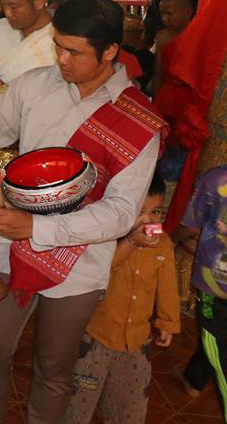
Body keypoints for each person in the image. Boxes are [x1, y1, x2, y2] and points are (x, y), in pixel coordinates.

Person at [0, 0, 166, 423]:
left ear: (111, 52)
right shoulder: (36, 85)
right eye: (58, 45)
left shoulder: (137, 120)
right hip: (12, 246)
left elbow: (120, 213)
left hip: (79, 261)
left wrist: (36, 229)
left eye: (74, 51)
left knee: (53, 369)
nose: (61, 58)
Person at [62, 173, 180, 423]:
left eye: (156, 212)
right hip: (96, 338)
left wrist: (167, 323)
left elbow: (168, 287)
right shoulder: (107, 239)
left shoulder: (164, 244)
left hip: (136, 342)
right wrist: (130, 243)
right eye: (141, 211)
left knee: (130, 407)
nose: (148, 219)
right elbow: (105, 268)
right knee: (78, 403)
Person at [171, 165, 227, 415]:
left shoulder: (217, 178)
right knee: (214, 338)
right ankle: (194, 378)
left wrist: (171, 240)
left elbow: (190, 226)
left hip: (214, 286)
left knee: (218, 348)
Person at [151, 0, 195, 93]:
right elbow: (158, 72)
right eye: (162, 14)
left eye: (170, 14)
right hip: (167, 93)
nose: (164, 19)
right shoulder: (162, 37)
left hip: (191, 96)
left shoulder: (198, 36)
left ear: (188, 12)